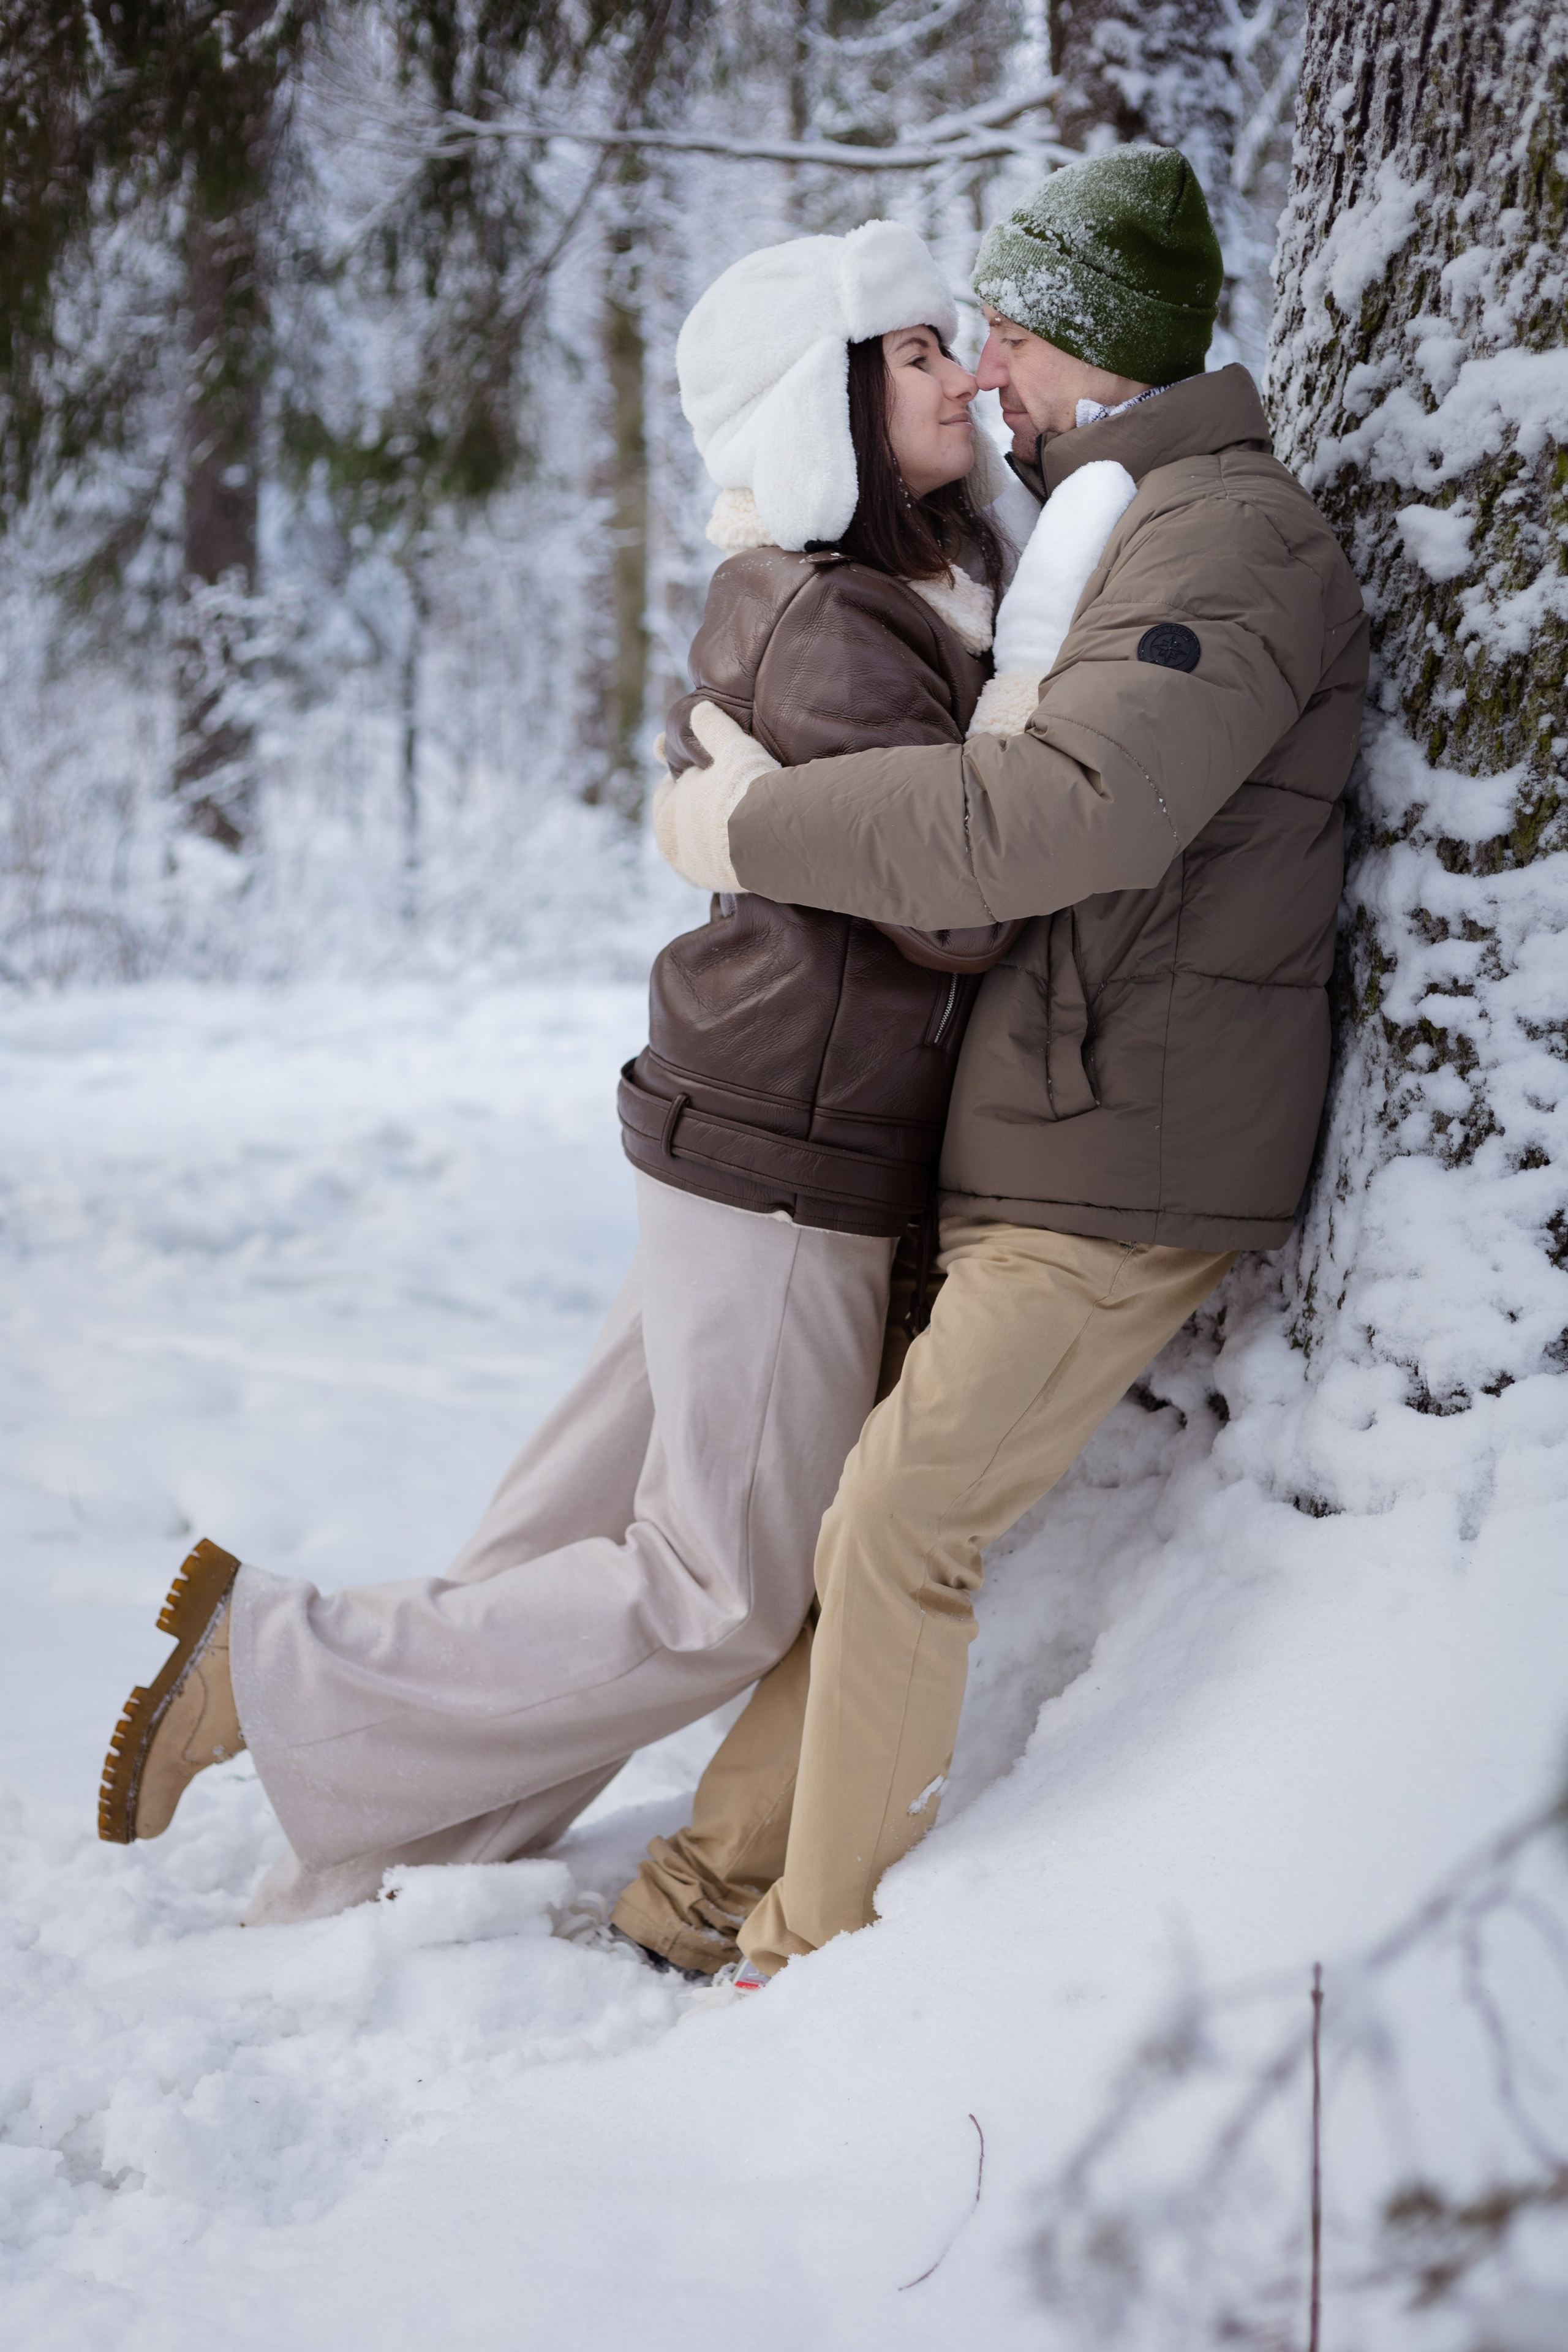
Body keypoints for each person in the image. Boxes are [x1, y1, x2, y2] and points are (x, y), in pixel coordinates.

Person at [97, 221, 1056, 1936]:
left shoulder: (857, 599)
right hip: (787, 1144)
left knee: (562, 1543)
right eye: (915, 354)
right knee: (721, 1592)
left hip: (739, 1118)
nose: (963, 377)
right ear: (823, 404)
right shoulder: (849, 619)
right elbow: (954, 900)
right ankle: (274, 1662)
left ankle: (398, 1863)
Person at [617, 145, 1371, 1983]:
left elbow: (1069, 809)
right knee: (842, 1520)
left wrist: (764, 830)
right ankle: (703, 1882)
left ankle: (811, 1944)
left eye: (1012, 337)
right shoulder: (1103, 530)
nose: (983, 377)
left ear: (1099, 354)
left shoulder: (1228, 537)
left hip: (1127, 1152)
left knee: (898, 1525)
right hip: (1036, 1123)